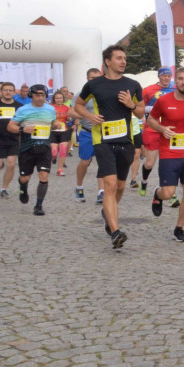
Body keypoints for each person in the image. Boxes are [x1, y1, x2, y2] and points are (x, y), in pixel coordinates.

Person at [72, 46, 145, 249]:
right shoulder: (94, 85)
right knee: (110, 185)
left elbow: (140, 113)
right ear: (107, 61)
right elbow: (77, 105)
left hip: (126, 141)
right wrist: (89, 116)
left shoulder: (133, 84)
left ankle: (107, 213)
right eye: (119, 58)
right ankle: (115, 232)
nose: (123, 61)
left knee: (120, 186)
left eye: (124, 58)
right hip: (102, 140)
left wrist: (131, 104)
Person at [145, 66, 184, 242]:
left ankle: (179, 228)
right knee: (168, 192)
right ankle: (157, 195)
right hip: (169, 152)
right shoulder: (164, 100)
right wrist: (161, 128)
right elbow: (150, 119)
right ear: (176, 81)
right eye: (180, 79)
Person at [7, 84, 57, 216]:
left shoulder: (51, 109)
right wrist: (22, 129)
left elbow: (52, 123)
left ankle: (39, 205)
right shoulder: (23, 110)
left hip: (45, 148)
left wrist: (56, 125)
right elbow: (10, 126)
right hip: (27, 148)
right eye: (37, 95)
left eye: (42, 95)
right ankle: (23, 186)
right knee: (24, 177)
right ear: (31, 96)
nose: (40, 98)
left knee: (44, 176)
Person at [69, 68, 105, 204]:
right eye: (92, 78)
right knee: (85, 162)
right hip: (87, 132)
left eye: (97, 78)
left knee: (103, 162)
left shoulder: (106, 93)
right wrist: (89, 117)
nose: (95, 81)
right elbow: (71, 113)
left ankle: (101, 192)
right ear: (87, 79)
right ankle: (79, 186)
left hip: (103, 134)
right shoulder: (81, 94)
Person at [138, 67, 175, 196]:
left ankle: (168, 190)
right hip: (153, 129)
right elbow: (139, 107)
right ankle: (144, 181)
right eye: (163, 76)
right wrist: (154, 109)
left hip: (170, 130)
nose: (166, 78)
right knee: (149, 163)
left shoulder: (175, 89)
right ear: (159, 77)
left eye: (168, 76)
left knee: (168, 162)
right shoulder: (148, 90)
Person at [50, 91, 72, 177]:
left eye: (60, 98)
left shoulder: (66, 107)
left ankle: (60, 169)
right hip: (53, 131)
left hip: (64, 131)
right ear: (54, 99)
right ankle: (53, 158)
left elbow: (69, 119)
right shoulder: (50, 107)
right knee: (54, 152)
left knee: (63, 150)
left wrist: (69, 118)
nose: (59, 100)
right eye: (57, 98)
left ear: (63, 99)